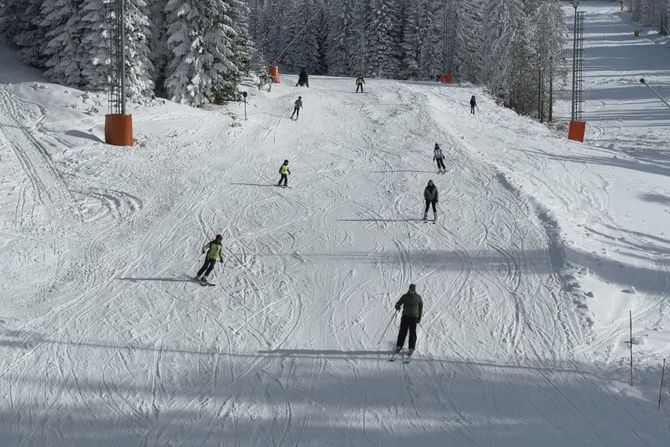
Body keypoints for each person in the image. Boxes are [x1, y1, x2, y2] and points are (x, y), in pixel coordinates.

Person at [394, 284, 423, 356]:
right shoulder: (405, 296)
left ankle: (411, 348)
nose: (411, 291)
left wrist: (419, 318)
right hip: (405, 317)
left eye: (413, 290)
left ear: (415, 290)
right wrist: (397, 306)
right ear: (409, 289)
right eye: (410, 290)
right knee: (402, 332)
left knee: (412, 333)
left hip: (414, 317)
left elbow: (420, 308)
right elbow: (399, 303)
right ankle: (399, 346)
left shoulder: (418, 297)